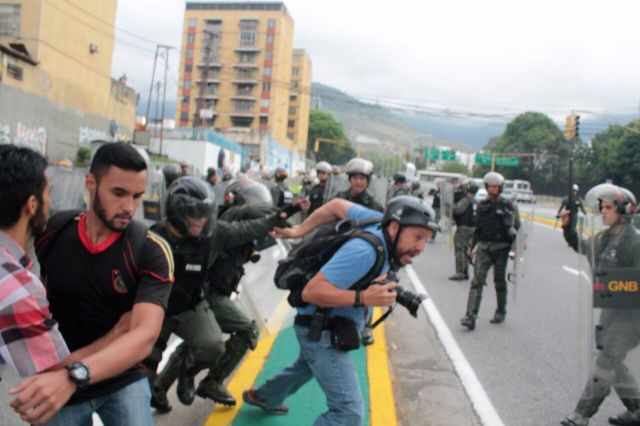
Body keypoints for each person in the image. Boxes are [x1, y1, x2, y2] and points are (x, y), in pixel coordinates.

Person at [14, 143, 175, 426]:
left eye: (137, 196)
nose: (129, 207)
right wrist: (56, 371)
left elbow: (144, 337)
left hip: (121, 378)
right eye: (119, 193)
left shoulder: (150, 249)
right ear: (91, 183)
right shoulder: (53, 231)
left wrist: (74, 375)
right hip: (59, 375)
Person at [242, 196, 438, 425]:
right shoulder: (365, 252)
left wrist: (298, 231)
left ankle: (265, 396)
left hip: (318, 323)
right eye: (417, 237)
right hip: (322, 332)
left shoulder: (375, 220)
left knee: (306, 366)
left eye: (426, 240)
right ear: (395, 228)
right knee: (348, 413)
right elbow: (311, 292)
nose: (421, 248)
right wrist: (363, 297)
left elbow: (337, 206)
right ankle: (267, 396)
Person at [148, 177, 305, 412]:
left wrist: (282, 217)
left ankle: (176, 383)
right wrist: (281, 211)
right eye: (195, 213)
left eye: (203, 214)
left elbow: (254, 228)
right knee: (142, 366)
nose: (200, 220)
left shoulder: (216, 231)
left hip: (194, 300)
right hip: (164, 303)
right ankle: (170, 386)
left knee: (207, 343)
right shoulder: (227, 217)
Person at [560, 184, 640, 426]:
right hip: (611, 308)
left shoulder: (634, 242)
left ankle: (581, 414)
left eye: (608, 207)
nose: (603, 212)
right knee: (614, 359)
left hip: (632, 314)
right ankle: (637, 409)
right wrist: (569, 227)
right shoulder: (605, 237)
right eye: (601, 207)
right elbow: (583, 247)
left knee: (606, 361)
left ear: (624, 211)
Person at [0, 146, 70, 381]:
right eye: (48, 193)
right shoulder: (17, 286)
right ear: (32, 204)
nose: (49, 203)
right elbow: (56, 373)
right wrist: (121, 333)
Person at [460, 171, 520, 330]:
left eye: (496, 186)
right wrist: (471, 247)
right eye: (490, 186)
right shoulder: (482, 205)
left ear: (501, 187)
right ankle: (470, 316)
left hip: (501, 248)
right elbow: (478, 228)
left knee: (499, 281)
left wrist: (516, 248)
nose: (493, 189)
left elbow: (518, 229)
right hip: (484, 248)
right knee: (477, 281)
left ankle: (501, 311)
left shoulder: (509, 205)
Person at [449, 181, 479, 281]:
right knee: (467, 250)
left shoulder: (466, 200)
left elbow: (458, 210)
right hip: (473, 228)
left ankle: (460, 272)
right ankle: (465, 272)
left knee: (460, 249)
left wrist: (450, 207)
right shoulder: (476, 201)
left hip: (463, 228)